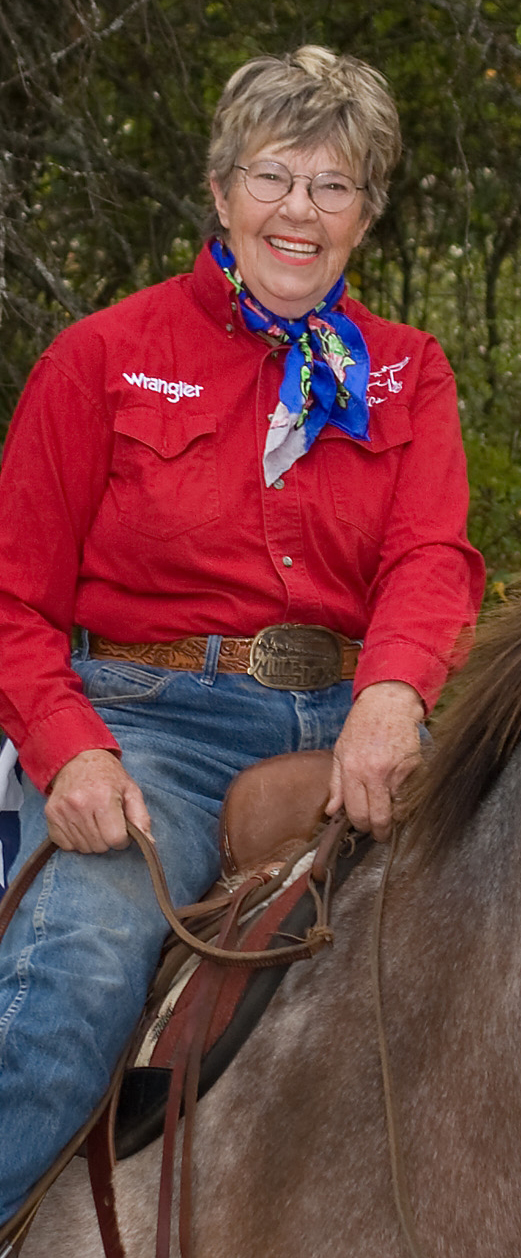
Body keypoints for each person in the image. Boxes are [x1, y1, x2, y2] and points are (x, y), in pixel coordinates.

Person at [0, 45, 484, 1225]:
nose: (299, 212)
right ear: (220, 191)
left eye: (334, 185)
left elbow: (430, 558)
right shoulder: (102, 361)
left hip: (350, 723)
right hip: (151, 729)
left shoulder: (409, 375)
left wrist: (396, 695)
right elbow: (12, 598)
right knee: (79, 981)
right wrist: (70, 750)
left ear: (366, 214)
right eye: (275, 176)